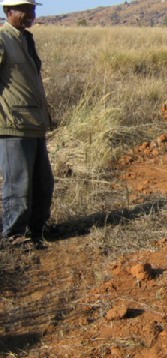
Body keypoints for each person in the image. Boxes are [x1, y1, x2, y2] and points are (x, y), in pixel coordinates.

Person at [0, 0, 54, 249]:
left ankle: (37, 228)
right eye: (25, 10)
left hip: (34, 122)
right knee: (18, 182)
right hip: (13, 124)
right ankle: (14, 234)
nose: (31, 14)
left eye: (33, 9)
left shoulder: (25, 39)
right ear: (8, 12)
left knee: (43, 181)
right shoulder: (3, 38)